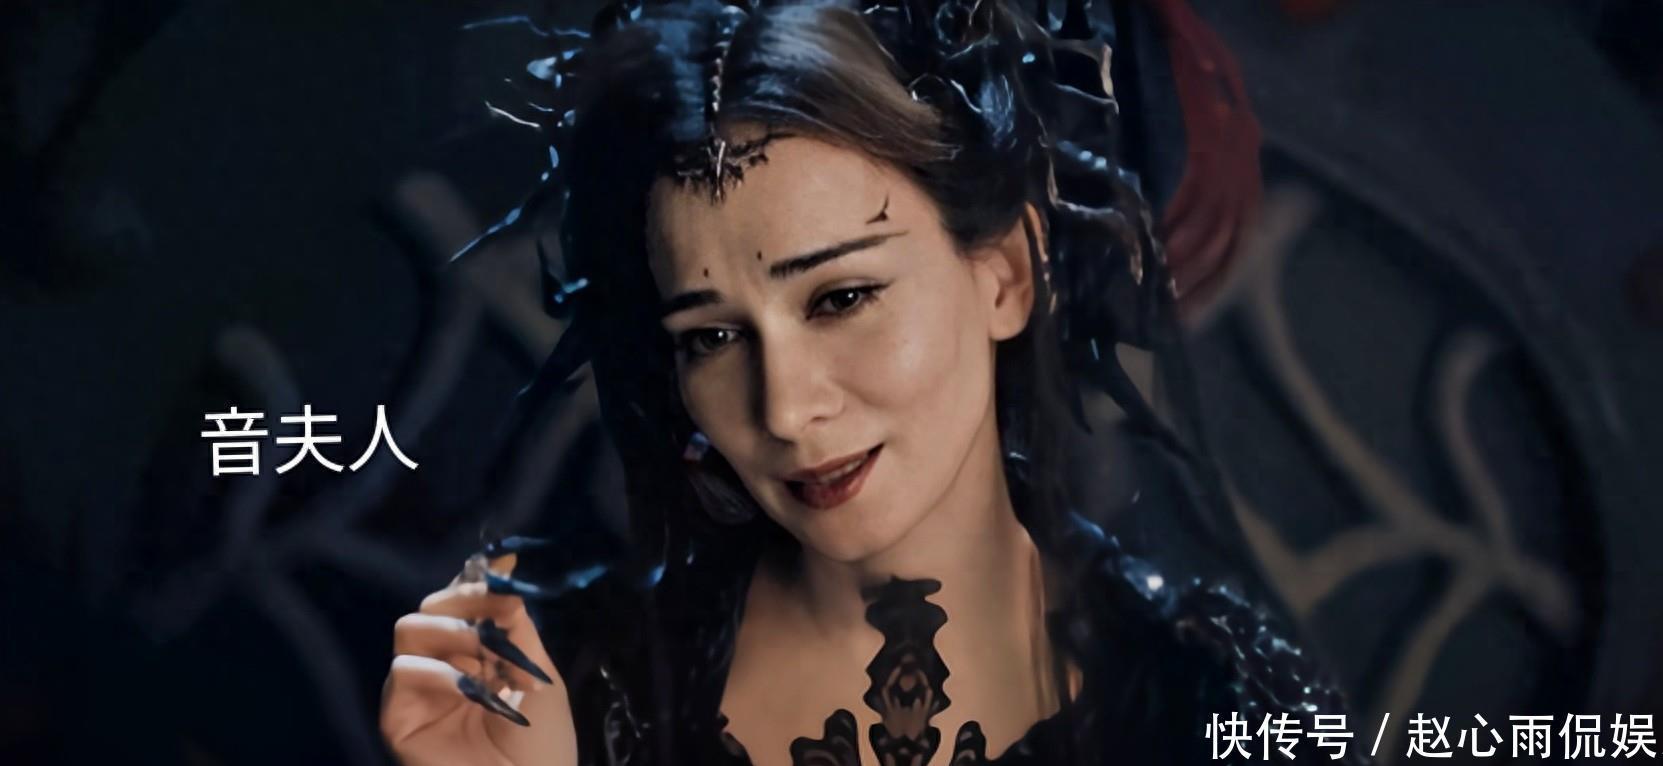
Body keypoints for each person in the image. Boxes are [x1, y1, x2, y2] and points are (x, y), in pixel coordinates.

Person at [379, 1, 1362, 764]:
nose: (784, 409)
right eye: (712, 336)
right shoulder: (564, 689)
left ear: (1005, 275)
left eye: (841, 297)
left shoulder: (1214, 706)